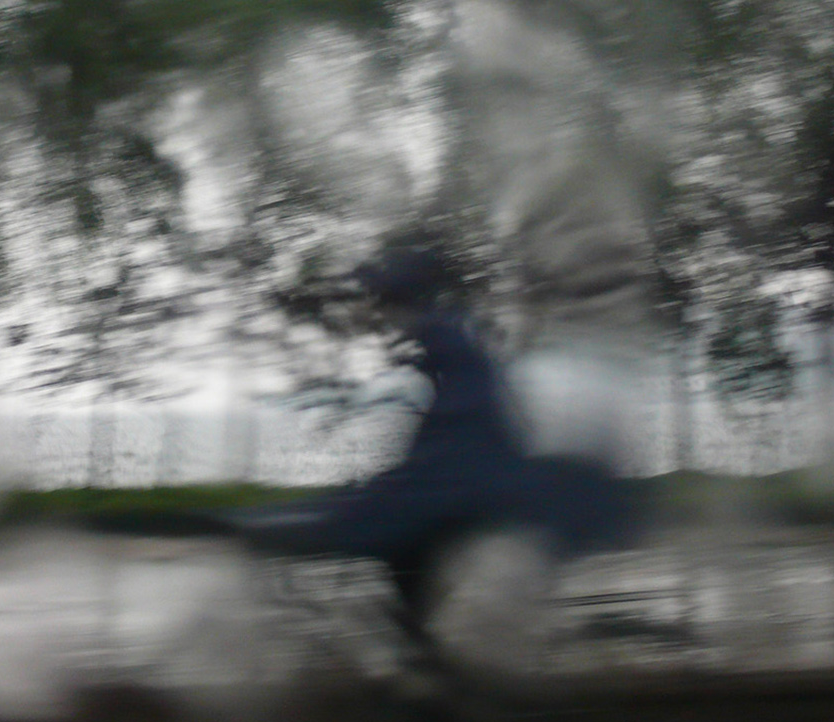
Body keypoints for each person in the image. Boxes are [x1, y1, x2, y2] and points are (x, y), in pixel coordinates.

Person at [222, 241, 637, 643]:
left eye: (383, 303)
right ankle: (425, 649)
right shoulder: (452, 342)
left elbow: (456, 445)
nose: (380, 318)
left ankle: (426, 649)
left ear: (400, 301)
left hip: (464, 488)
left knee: (380, 531)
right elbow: (457, 432)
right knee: (398, 548)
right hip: (466, 483)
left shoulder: (446, 341)